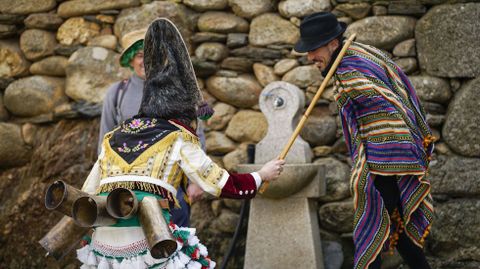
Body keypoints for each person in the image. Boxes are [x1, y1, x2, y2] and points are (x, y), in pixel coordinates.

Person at [77, 18, 285, 268]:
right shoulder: (178, 135)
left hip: (105, 250)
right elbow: (221, 184)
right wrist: (261, 175)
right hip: (150, 245)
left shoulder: (113, 139)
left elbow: (88, 193)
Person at [294, 12, 434, 269]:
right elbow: (397, 95)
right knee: (395, 225)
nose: (310, 57)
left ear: (333, 44)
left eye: (313, 49)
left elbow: (388, 109)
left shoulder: (349, 71)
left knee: (374, 223)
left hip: (387, 159)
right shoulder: (363, 55)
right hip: (400, 154)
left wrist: (374, 160)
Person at [98, 28, 205, 227]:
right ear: (131, 59)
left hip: (172, 189)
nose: (146, 60)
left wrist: (196, 180)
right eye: (140, 55)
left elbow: (195, 136)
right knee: (132, 245)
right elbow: (104, 142)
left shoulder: (180, 92)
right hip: (125, 189)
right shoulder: (117, 93)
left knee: (173, 245)